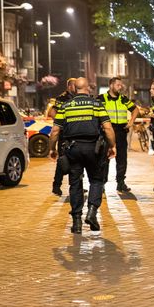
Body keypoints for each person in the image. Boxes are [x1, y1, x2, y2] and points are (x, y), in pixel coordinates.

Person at [49, 77, 116, 234]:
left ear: (75, 88)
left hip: (73, 149)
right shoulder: (96, 104)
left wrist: (52, 149)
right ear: (87, 88)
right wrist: (112, 146)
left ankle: (77, 222)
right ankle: (92, 212)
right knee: (97, 181)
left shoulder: (65, 106)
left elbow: (55, 131)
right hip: (94, 149)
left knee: (75, 184)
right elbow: (107, 128)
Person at [99, 77, 139, 192]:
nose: (120, 87)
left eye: (121, 85)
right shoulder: (102, 98)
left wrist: (131, 122)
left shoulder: (123, 99)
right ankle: (102, 184)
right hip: (108, 131)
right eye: (118, 85)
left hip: (121, 131)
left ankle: (120, 183)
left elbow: (135, 110)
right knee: (105, 159)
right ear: (111, 85)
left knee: (122, 158)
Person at [48, 78, 77, 196]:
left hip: (75, 134)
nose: (77, 88)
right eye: (75, 86)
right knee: (63, 161)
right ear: (69, 86)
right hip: (64, 135)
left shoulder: (78, 97)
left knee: (75, 161)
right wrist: (61, 122)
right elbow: (52, 112)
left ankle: (75, 186)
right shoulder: (62, 98)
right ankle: (56, 186)